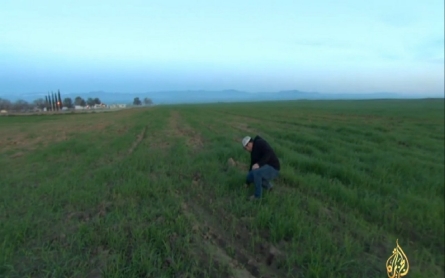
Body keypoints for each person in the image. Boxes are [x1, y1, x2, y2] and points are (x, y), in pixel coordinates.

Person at [242, 135, 280, 200]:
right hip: (265, 168)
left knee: (257, 173)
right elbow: (252, 165)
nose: (247, 150)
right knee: (251, 175)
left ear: (249, 144)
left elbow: (269, 152)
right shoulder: (253, 152)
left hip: (273, 167)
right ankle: (269, 187)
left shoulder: (260, 142)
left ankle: (257, 196)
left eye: (246, 148)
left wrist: (259, 164)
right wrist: (247, 182)